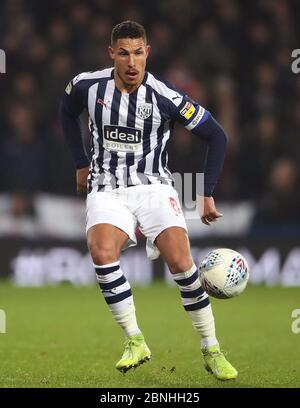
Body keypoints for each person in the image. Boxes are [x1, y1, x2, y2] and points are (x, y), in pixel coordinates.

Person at [60, 21, 237, 381]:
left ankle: (212, 348)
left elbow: (216, 136)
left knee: (182, 263)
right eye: (123, 53)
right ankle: (135, 340)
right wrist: (81, 163)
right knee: (102, 251)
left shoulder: (165, 96)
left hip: (154, 187)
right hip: (107, 187)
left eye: (138, 52)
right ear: (112, 54)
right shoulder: (87, 86)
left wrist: (206, 191)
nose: (131, 61)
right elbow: (66, 112)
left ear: (147, 53)